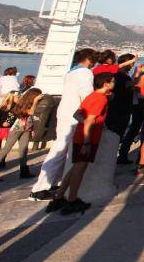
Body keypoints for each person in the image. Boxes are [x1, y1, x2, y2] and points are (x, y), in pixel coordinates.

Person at [30, 48, 97, 201]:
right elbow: (86, 96)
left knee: (61, 151)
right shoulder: (85, 73)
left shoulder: (71, 72)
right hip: (74, 117)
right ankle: (40, 188)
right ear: (89, 60)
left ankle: (52, 184)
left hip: (64, 113)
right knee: (59, 151)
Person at [45, 74, 114, 215]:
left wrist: (85, 126)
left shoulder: (92, 96)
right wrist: (87, 141)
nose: (114, 83)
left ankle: (59, 197)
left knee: (75, 167)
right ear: (106, 84)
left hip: (79, 136)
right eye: (112, 81)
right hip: (87, 139)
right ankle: (72, 200)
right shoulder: (100, 99)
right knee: (80, 169)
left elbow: (77, 114)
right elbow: (90, 120)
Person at [0, 88, 43, 178]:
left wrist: (32, 129)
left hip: (26, 129)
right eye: (38, 95)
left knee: (23, 150)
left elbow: (31, 117)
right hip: (17, 129)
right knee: (6, 149)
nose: (39, 97)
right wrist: (35, 101)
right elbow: (31, 112)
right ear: (33, 96)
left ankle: (24, 171)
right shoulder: (22, 103)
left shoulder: (31, 103)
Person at [117, 63, 144, 164]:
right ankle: (141, 158)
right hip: (142, 103)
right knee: (142, 129)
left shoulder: (134, 76)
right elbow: (137, 88)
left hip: (135, 104)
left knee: (133, 129)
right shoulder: (141, 76)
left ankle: (123, 154)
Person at [106, 54, 137, 141]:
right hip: (123, 110)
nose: (132, 66)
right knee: (117, 135)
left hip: (111, 108)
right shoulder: (125, 78)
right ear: (126, 63)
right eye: (131, 63)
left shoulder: (111, 76)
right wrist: (138, 73)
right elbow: (135, 87)